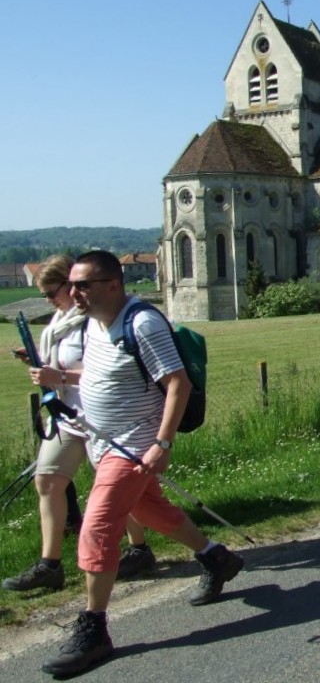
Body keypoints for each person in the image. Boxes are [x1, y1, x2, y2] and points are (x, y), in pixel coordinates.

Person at [41, 250, 245, 677]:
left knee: (97, 526)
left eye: (83, 285)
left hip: (133, 446)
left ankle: (94, 629)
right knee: (148, 509)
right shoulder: (96, 324)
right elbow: (100, 376)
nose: (73, 292)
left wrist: (162, 442)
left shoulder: (143, 323)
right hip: (104, 442)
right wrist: (58, 379)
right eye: (73, 285)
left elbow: (177, 383)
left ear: (112, 285)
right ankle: (215, 558)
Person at [3, 256, 154, 594]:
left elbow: (104, 370)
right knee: (47, 481)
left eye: (50, 292)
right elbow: (62, 366)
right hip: (66, 417)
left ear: (71, 286)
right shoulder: (59, 323)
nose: (48, 300)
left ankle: (139, 549)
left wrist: (58, 375)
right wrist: (41, 364)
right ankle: (50, 565)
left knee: (113, 490)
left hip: (99, 418)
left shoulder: (95, 321)